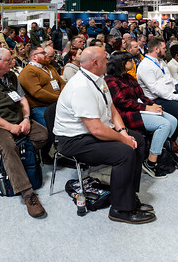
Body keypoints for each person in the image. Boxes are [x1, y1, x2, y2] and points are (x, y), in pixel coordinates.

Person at [54, 46, 156, 224]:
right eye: (105, 59)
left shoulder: (98, 79)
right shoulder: (80, 86)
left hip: (91, 131)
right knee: (124, 153)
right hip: (73, 140)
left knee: (138, 140)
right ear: (95, 63)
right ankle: (120, 209)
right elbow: (96, 130)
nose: (108, 62)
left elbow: (112, 108)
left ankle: (129, 197)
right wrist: (123, 139)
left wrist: (123, 132)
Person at [0, 48, 49, 218]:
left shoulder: (12, 77)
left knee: (43, 135)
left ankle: (20, 158)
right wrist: (9, 127)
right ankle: (28, 194)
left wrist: (27, 119)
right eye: (9, 60)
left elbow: (22, 99)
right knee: (8, 147)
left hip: (18, 120)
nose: (13, 62)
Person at [105, 51, 177, 178]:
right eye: (130, 61)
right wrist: (147, 108)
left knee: (173, 121)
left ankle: (156, 149)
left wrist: (153, 106)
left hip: (139, 109)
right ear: (122, 63)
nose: (133, 62)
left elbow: (141, 96)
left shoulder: (129, 77)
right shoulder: (111, 80)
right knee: (164, 125)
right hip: (126, 114)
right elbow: (121, 102)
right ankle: (151, 161)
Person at [18, 46, 64, 127]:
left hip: (57, 102)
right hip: (40, 106)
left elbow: (62, 82)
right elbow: (38, 93)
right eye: (43, 53)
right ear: (34, 56)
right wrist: (59, 98)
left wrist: (64, 96)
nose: (46, 55)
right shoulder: (28, 71)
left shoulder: (49, 67)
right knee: (55, 128)